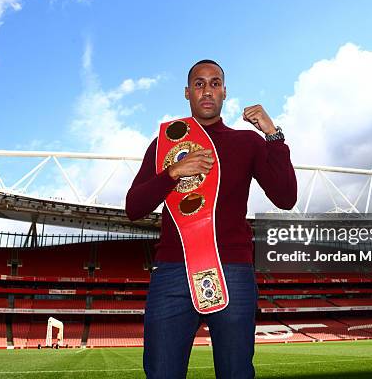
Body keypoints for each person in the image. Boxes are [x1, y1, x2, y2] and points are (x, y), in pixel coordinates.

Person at [126, 59, 297, 378]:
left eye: (215, 83)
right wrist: (173, 172)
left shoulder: (248, 142)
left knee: (235, 373)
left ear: (225, 93)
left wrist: (273, 134)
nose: (208, 90)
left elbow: (286, 197)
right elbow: (134, 207)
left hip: (232, 270)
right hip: (172, 271)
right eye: (200, 84)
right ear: (188, 93)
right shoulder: (165, 144)